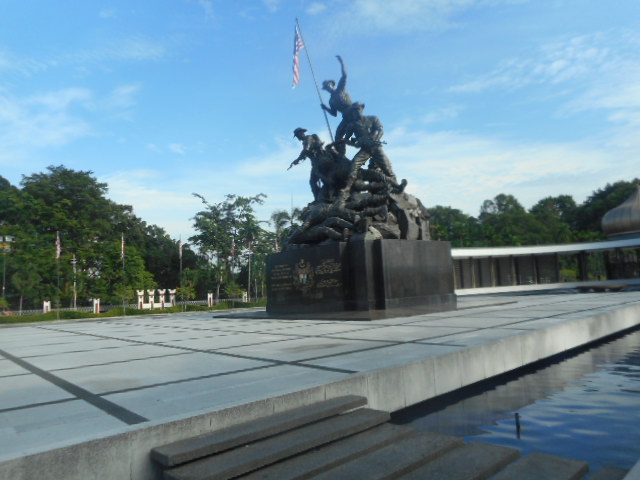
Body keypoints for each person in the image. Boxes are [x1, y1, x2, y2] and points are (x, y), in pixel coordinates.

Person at [321, 55, 353, 142]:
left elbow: (344, 75)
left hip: (354, 113)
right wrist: (326, 108)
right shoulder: (331, 101)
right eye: (325, 88)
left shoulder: (340, 89)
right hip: (345, 117)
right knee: (338, 137)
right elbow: (334, 113)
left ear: (332, 84)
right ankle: (340, 150)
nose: (327, 88)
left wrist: (342, 63)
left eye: (328, 86)